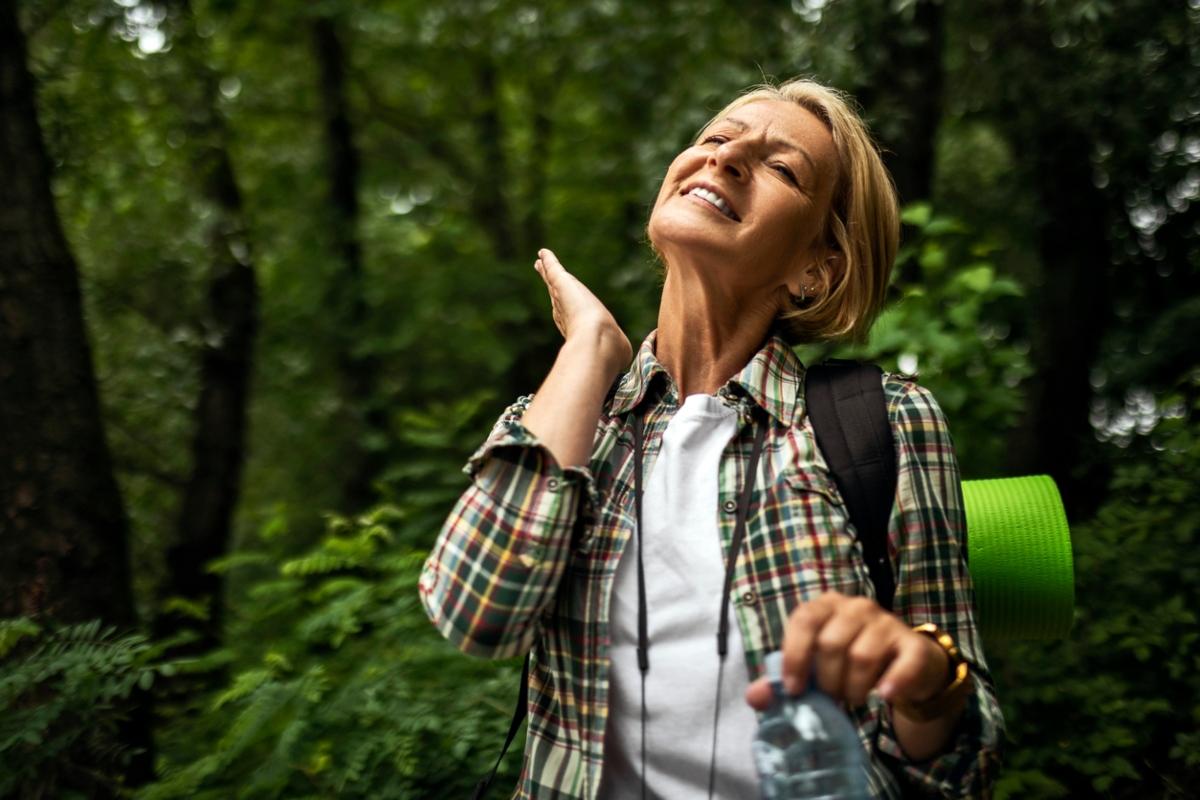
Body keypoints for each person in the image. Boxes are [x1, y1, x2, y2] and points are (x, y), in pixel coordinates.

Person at [419, 77, 1003, 799]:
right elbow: (478, 614)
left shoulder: (883, 423)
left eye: (782, 168)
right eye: (716, 138)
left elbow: (963, 763)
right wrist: (588, 350)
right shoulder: (569, 419)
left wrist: (924, 682)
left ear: (814, 271)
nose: (724, 160)